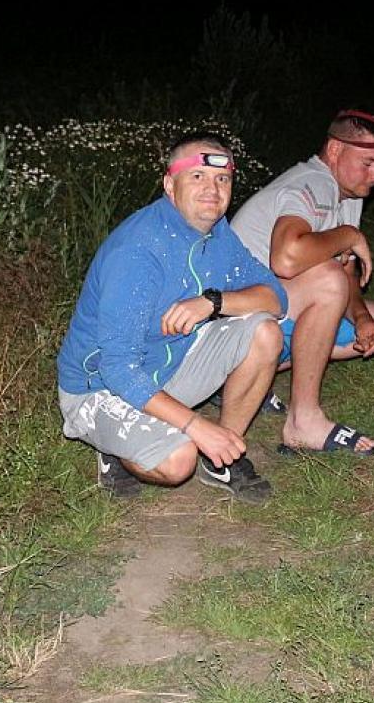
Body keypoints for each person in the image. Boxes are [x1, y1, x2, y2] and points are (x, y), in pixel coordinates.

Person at [56, 132, 288, 503]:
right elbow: (117, 369)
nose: (212, 189)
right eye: (197, 177)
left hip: (167, 364)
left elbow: (275, 298)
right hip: (99, 387)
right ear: (170, 185)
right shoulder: (138, 250)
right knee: (179, 460)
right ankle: (110, 444)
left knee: (265, 331)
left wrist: (212, 302)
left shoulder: (218, 233)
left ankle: (221, 457)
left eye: (222, 178)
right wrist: (196, 425)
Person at [231, 110, 374, 454]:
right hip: (232, 320)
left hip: (273, 311)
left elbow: (346, 270)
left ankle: (246, 382)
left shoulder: (348, 195)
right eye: (369, 163)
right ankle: (303, 422)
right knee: (327, 281)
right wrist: (349, 234)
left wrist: (361, 317)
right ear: (335, 150)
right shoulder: (312, 183)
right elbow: (287, 257)